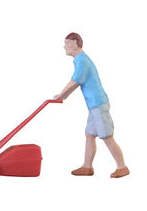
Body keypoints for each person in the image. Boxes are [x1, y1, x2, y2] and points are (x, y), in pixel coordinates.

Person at [54, 32, 130, 178]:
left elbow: (76, 80)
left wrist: (62, 95)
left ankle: (122, 167)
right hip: (94, 106)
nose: (64, 47)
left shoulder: (82, 60)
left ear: (75, 43)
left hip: (98, 105)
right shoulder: (80, 59)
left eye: (67, 43)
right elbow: (76, 80)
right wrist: (63, 95)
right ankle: (87, 167)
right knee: (89, 134)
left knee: (107, 137)